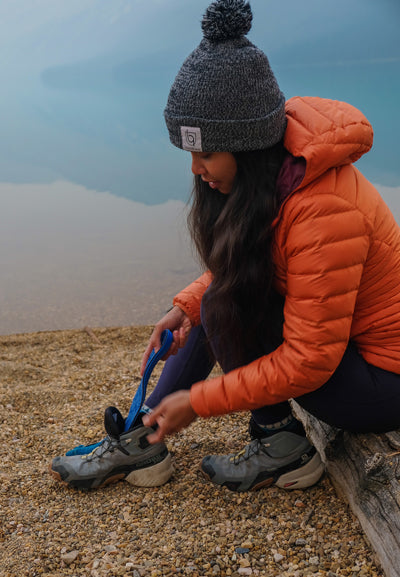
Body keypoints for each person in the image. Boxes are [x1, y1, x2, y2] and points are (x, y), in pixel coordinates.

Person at [50, 0, 400, 492]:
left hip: (383, 384)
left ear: (249, 146)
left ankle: (280, 444)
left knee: (229, 299)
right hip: (350, 357)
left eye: (207, 152)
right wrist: (185, 308)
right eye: (191, 152)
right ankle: (144, 437)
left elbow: (310, 360)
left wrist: (201, 400)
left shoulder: (322, 209)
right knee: (217, 298)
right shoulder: (281, 180)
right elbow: (253, 262)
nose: (196, 168)